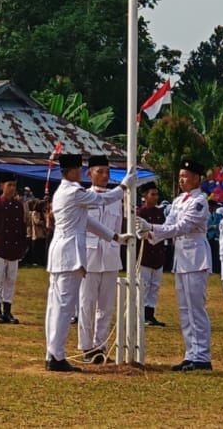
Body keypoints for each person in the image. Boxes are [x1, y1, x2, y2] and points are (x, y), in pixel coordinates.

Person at [43, 151, 129, 373]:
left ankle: (53, 352)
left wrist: (114, 237)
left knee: (57, 306)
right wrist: (124, 187)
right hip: (69, 254)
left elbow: (88, 221)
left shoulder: (65, 190)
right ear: (72, 171)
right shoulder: (74, 191)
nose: (80, 173)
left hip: (62, 252)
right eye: (79, 169)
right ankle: (56, 356)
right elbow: (102, 199)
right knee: (64, 307)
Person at [138, 159, 214, 372]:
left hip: (195, 256)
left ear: (196, 178)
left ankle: (202, 356)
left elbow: (183, 226)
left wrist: (152, 227)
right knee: (184, 308)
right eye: (180, 176)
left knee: (195, 308)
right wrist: (149, 232)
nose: (181, 180)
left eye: (185, 176)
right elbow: (169, 224)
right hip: (181, 257)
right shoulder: (180, 200)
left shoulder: (200, 201)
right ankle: (191, 353)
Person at [77, 156, 123, 363]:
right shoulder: (84, 196)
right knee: (87, 304)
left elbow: (117, 226)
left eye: (107, 172)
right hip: (89, 255)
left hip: (111, 255)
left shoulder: (117, 198)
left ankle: (100, 346)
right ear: (90, 173)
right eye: (100, 171)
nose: (104, 176)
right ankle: (86, 346)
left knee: (106, 306)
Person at [0, 176, 28, 325]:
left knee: (11, 280)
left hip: (14, 247)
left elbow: (21, 228)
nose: (12, 188)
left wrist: (22, 246)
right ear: (2, 185)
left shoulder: (17, 205)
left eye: (14, 185)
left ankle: (7, 309)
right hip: (0, 247)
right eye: (9, 185)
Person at [137, 186, 171, 323]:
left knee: (155, 286)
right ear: (145, 196)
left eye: (157, 194)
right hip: (145, 253)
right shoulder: (141, 212)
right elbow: (139, 231)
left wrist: (159, 234)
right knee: (143, 285)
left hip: (158, 253)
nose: (155, 197)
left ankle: (150, 314)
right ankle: (141, 314)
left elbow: (165, 228)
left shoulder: (159, 213)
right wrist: (155, 234)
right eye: (152, 194)